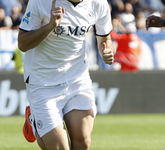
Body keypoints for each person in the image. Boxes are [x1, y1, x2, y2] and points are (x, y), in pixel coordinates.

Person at [18, 0, 114, 149]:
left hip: (77, 78)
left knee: (83, 142)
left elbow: (105, 38)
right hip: (43, 82)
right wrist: (50, 26)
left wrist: (106, 52)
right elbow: (22, 44)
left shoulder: (99, 3)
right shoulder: (41, 2)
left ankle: (37, 121)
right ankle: (35, 119)